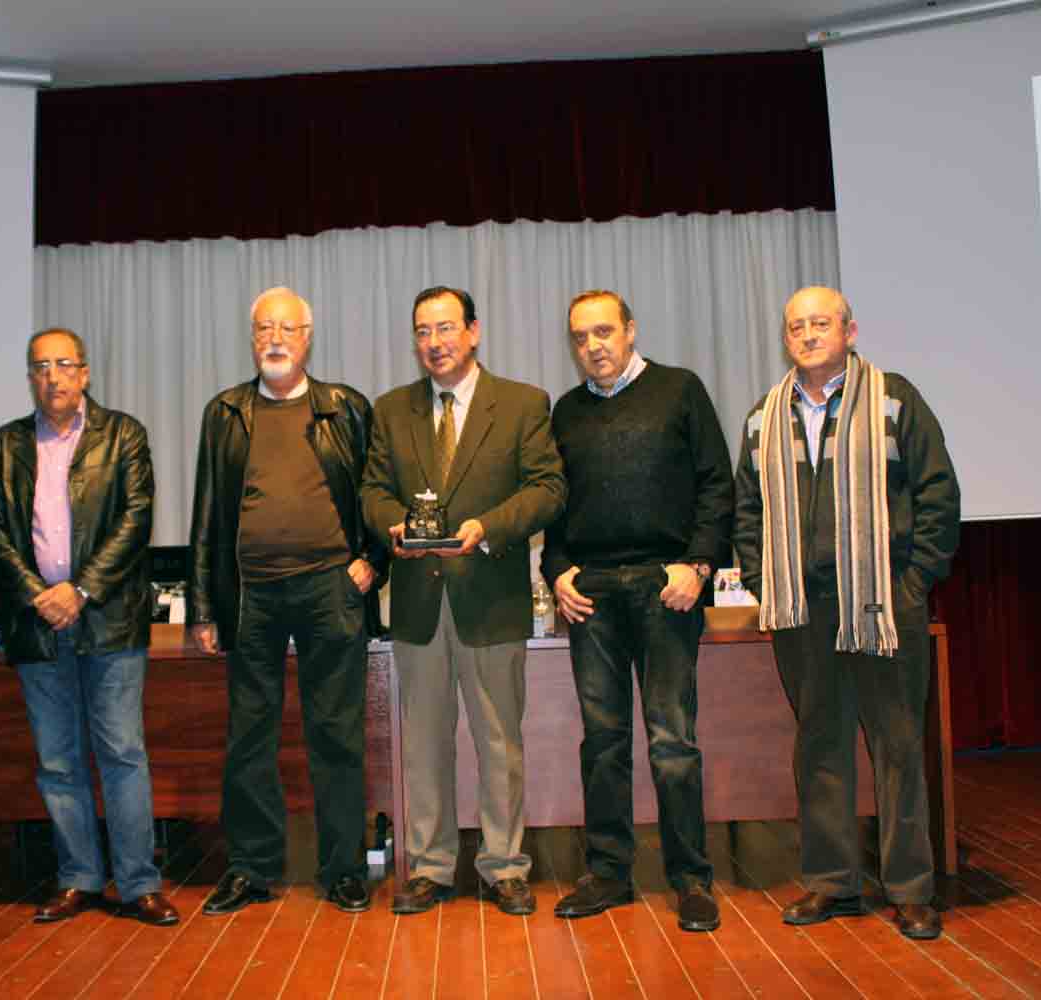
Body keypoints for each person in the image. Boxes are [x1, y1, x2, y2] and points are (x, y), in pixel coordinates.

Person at [734, 286, 960, 941]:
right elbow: (748, 511)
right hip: (803, 612)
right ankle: (833, 884)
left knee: (896, 747)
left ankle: (912, 889)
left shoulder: (895, 400)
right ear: (786, 338)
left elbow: (938, 493)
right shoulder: (762, 416)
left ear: (850, 330)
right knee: (820, 749)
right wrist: (760, 580)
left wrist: (913, 583)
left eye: (821, 323)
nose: (807, 334)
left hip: (884, 605)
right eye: (796, 326)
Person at [361, 285, 566, 916]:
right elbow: (371, 490)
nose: (435, 342)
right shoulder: (391, 410)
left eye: (446, 328)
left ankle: (505, 866)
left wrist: (490, 526)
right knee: (423, 741)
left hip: (490, 597)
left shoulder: (523, 403)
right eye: (423, 331)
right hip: (418, 604)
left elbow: (548, 488)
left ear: (473, 331)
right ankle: (428, 867)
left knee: (499, 740)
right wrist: (393, 524)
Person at [187, 286, 386, 915]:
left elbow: (379, 495)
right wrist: (201, 607)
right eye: (263, 329)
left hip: (331, 586)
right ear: (252, 339)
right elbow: (206, 517)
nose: (275, 339)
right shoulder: (225, 413)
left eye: (287, 329)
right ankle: (251, 869)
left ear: (307, 337)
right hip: (250, 595)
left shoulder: (346, 409)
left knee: (336, 734)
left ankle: (344, 869)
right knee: (249, 735)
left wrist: (373, 562)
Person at [540, 290, 733, 929]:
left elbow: (715, 485)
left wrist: (698, 565)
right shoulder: (565, 413)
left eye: (603, 332)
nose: (592, 345)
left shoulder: (680, 390)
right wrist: (555, 569)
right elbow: (553, 503)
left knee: (673, 742)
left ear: (630, 330)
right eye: (579, 337)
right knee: (602, 742)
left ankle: (691, 880)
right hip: (589, 591)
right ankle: (608, 874)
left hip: (665, 585)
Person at [0, 327, 177, 927]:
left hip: (109, 620)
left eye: (65, 365)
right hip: (38, 624)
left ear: (85, 373)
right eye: (41, 366)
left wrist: (82, 589)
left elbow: (135, 519)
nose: (54, 376)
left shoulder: (123, 435)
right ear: (31, 377)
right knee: (58, 760)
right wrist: (41, 596)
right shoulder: (7, 445)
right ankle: (78, 878)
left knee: (121, 752)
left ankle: (139, 882)